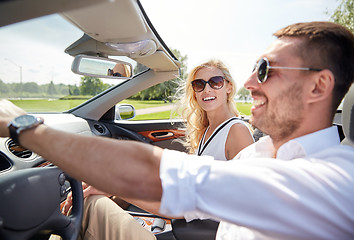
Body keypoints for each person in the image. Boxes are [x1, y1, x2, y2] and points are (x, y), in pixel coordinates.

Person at [1, 21, 353, 239]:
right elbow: (183, 200)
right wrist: (108, 188)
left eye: (265, 70)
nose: (248, 83)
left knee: (90, 210)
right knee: (93, 203)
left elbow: (159, 177)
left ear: (318, 87)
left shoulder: (330, 179)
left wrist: (24, 127)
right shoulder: (259, 153)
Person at [57, 59, 254, 240]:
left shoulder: (236, 131)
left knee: (90, 206)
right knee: (88, 202)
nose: (207, 89)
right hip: (184, 227)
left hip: (202, 233)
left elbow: (245, 207)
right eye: (199, 84)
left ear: (228, 87)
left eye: (216, 82)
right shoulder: (207, 132)